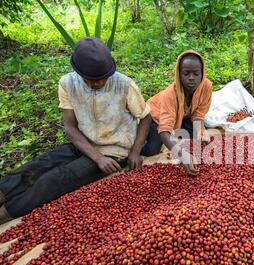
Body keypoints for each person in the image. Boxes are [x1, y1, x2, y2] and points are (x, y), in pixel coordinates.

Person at [0, 37, 151, 224]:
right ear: (78, 72)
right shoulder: (67, 83)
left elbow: (145, 117)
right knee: (38, 165)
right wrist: (96, 157)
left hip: (113, 150)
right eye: (91, 80)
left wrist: (135, 151)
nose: (97, 83)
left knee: (55, 180)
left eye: (102, 79)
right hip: (83, 144)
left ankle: (7, 212)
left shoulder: (124, 84)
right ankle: (2, 193)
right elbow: (70, 126)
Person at [141, 50, 212, 176]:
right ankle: (135, 145)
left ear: (202, 73)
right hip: (156, 117)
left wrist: (200, 132)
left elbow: (198, 115)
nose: (191, 78)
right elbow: (164, 130)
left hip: (182, 116)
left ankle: (177, 134)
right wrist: (182, 155)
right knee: (152, 150)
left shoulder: (206, 86)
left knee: (198, 138)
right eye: (186, 73)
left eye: (196, 73)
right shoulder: (170, 94)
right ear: (179, 74)